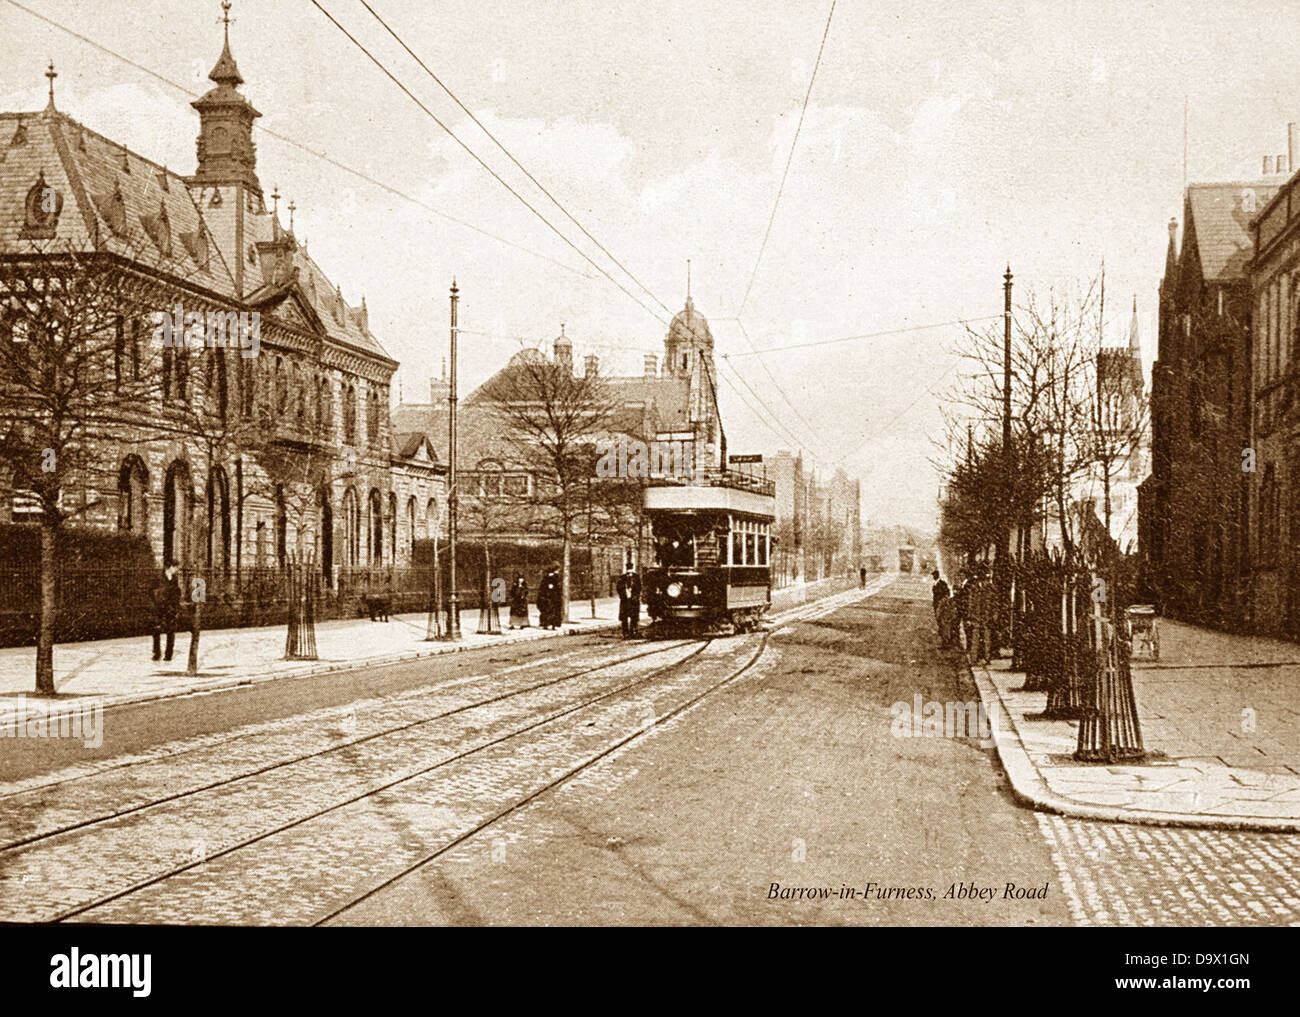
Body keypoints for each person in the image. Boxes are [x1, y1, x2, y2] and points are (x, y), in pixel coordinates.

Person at [151, 559, 182, 662]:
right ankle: (156, 653)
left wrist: (176, 605)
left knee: (171, 630)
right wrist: (155, 602)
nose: (177, 570)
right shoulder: (158, 577)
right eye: (176, 567)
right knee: (156, 629)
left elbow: (177, 591)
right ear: (171, 567)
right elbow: (151, 590)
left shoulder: (174, 578)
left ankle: (168, 654)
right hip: (159, 607)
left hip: (170, 607)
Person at [616, 562, 641, 638]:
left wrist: (636, 596)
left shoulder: (636, 577)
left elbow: (639, 588)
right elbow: (618, 588)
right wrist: (623, 594)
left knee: (634, 617)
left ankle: (634, 631)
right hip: (625, 600)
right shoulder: (622, 577)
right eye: (628, 571)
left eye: (630, 571)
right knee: (624, 617)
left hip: (634, 600)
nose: (629, 572)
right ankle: (625, 632)